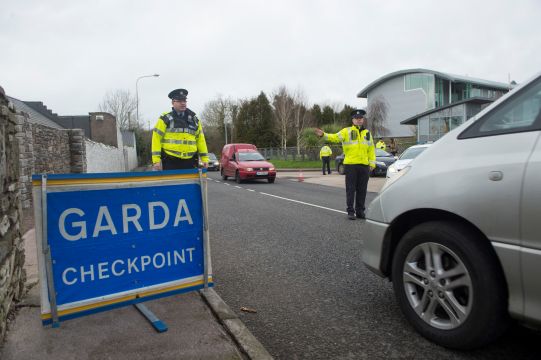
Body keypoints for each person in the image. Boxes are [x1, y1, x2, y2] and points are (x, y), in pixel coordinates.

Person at [315, 109, 375, 220]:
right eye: (356, 118)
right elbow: (334, 137)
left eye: (361, 118)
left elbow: (371, 149)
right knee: (351, 189)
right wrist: (323, 135)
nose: (359, 120)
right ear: (352, 120)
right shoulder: (346, 131)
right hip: (351, 165)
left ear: (363, 119)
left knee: (362, 190)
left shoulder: (367, 133)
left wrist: (372, 163)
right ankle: (350, 211)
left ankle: (360, 211)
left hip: (364, 166)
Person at [151, 89, 209, 170]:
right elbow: (156, 139)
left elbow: (200, 140)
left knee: (191, 183)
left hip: (191, 161)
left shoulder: (194, 119)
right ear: (172, 103)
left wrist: (205, 159)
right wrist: (156, 160)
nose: (183, 103)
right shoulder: (165, 119)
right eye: (179, 101)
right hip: (170, 161)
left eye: (184, 100)